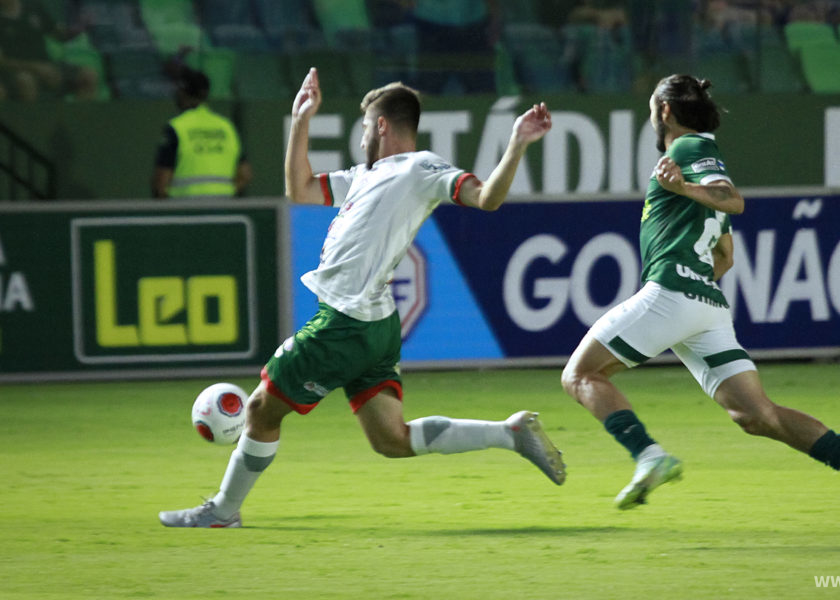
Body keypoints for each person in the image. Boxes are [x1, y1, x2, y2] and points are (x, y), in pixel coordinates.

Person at [159, 68, 561, 528]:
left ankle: (223, 511)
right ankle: (509, 434)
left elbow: (487, 198)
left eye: (366, 126)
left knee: (259, 410)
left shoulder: (421, 167)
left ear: (383, 125)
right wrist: (301, 120)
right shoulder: (365, 175)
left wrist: (517, 143)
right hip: (374, 324)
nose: (364, 134)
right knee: (390, 438)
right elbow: (300, 189)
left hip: (346, 322)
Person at [559, 74, 840, 527]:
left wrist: (683, 190)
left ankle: (649, 456)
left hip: (674, 291)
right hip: (706, 305)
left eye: (651, 108)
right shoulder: (695, 159)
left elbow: (732, 200)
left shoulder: (686, 150)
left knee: (580, 374)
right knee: (758, 415)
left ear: (664, 110)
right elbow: (725, 256)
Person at [151, 67, 252, 199]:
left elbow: (161, 181)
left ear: (182, 93)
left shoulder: (177, 127)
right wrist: (226, 192)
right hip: (224, 208)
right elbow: (245, 174)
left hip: (185, 209)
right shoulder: (226, 127)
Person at [0, 0, 98, 102]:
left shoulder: (34, 7)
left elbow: (59, 35)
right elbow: (2, 62)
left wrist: (79, 27)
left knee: (88, 76)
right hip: (15, 72)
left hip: (48, 66)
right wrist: (37, 68)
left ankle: (76, 117)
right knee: (25, 81)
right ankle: (33, 117)